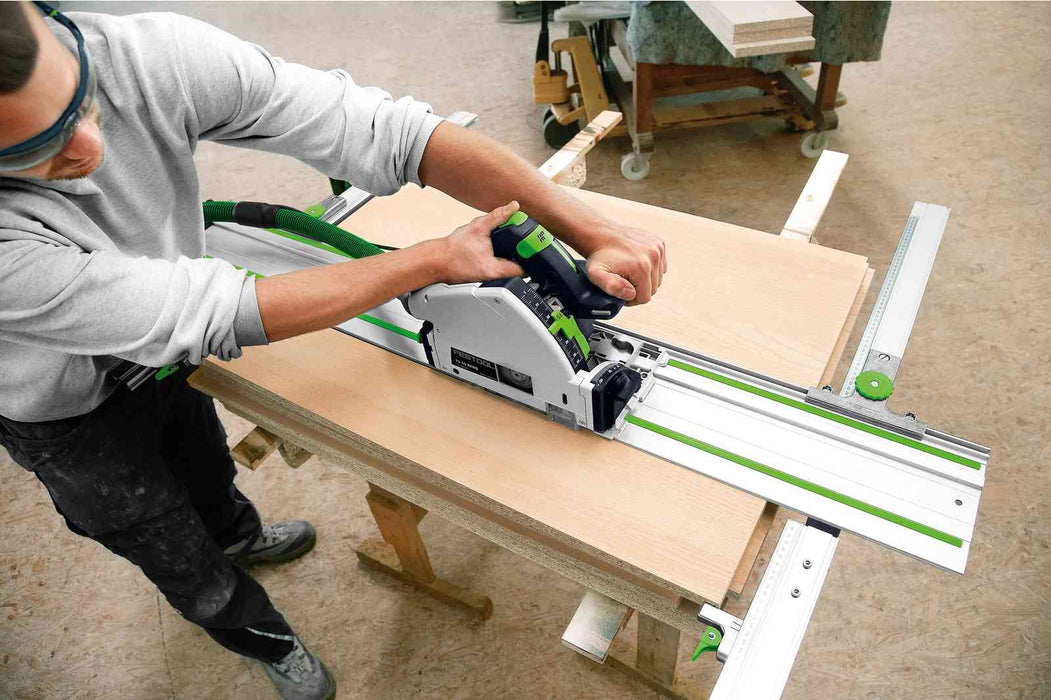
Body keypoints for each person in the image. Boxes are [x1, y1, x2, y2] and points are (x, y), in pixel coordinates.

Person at [0, 3, 667, 699]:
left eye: (80, 100)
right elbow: (214, 312)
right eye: (30, 149)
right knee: (159, 534)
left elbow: (390, 133)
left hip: (164, 359)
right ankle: (257, 632)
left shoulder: (145, 54)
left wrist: (589, 229)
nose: (90, 149)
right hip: (65, 410)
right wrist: (430, 261)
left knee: (202, 459)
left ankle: (239, 536)